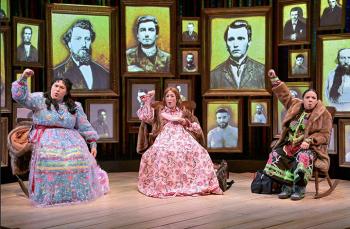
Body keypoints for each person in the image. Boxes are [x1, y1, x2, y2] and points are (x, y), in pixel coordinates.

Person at [11, 68, 109, 206]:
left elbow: (84, 126)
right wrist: (23, 78)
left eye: (61, 87)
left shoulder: (75, 106)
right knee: (52, 159)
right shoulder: (40, 99)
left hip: (71, 140)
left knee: (77, 158)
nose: (57, 89)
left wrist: (93, 142)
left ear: (67, 92)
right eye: (55, 85)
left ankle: (74, 194)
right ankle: (51, 196)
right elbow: (20, 97)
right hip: (46, 139)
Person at [136, 87, 222, 197]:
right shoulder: (159, 111)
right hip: (165, 137)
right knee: (163, 152)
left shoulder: (184, 111)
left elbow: (196, 126)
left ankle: (193, 183)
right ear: (164, 99)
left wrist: (185, 121)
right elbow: (145, 117)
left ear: (177, 98)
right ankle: (166, 184)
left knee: (198, 151)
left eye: (172, 96)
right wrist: (148, 100)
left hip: (183, 136)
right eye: (167, 96)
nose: (170, 98)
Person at [263, 69, 332, 200]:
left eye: (313, 98)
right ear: (303, 99)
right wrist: (274, 79)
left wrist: (311, 140)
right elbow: (284, 95)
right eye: (308, 98)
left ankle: (299, 189)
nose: (310, 100)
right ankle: (287, 186)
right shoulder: (295, 105)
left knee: (303, 157)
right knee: (277, 153)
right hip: (290, 143)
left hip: (310, 148)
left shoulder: (324, 114)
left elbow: (325, 135)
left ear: (317, 100)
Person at [53, 19, 109, 90]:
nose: (84, 44)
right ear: (69, 44)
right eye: (78, 39)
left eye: (87, 39)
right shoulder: (56, 73)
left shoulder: (104, 74)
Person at [210, 20, 265, 89]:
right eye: (231, 39)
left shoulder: (262, 71)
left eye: (240, 38)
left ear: (249, 42)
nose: (235, 45)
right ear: (226, 44)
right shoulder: (214, 75)